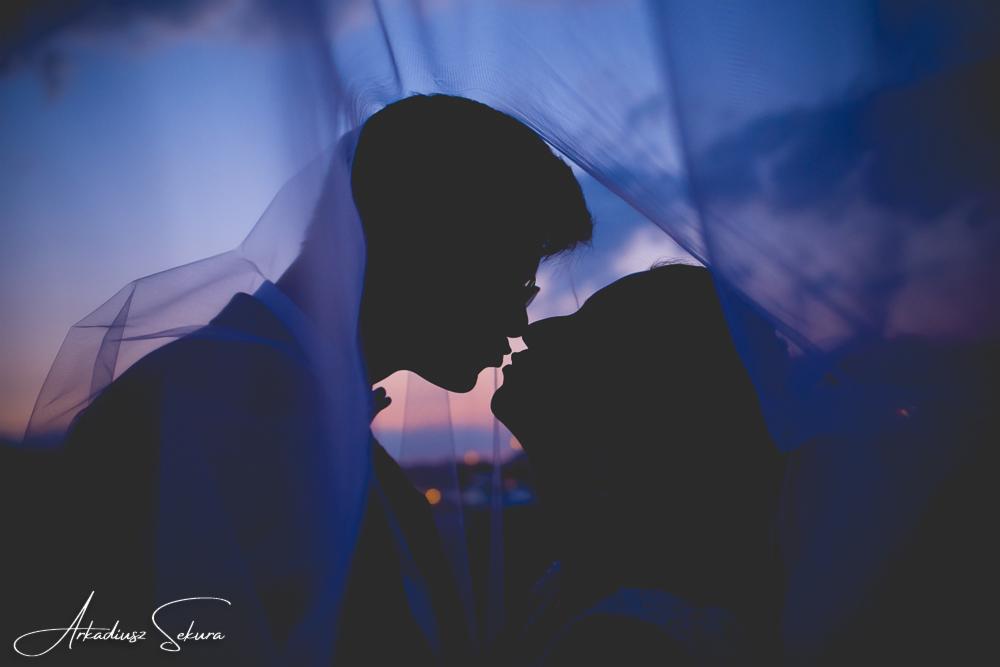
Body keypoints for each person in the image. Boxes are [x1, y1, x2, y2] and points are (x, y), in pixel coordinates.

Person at [7, 94, 592, 664]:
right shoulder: (227, 416)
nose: (519, 325)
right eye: (518, 285)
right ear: (439, 246)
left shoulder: (294, 411)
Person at [491, 264, 786, 665]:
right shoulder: (575, 577)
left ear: (649, 396)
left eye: (592, 329)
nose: (535, 330)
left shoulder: (634, 641)